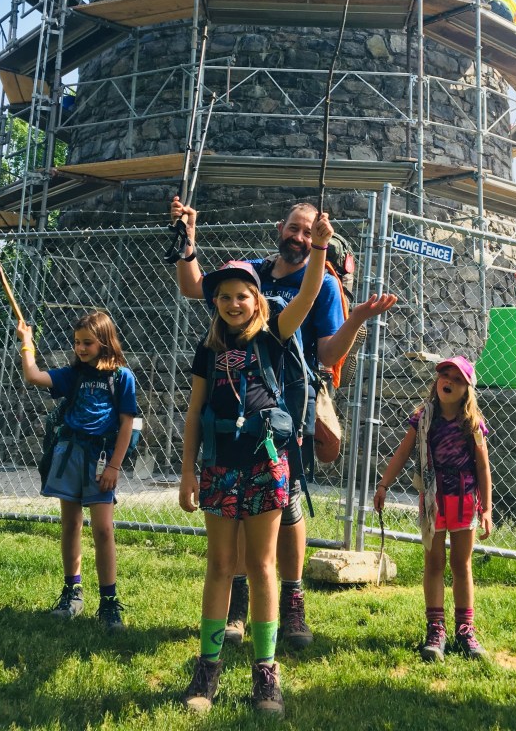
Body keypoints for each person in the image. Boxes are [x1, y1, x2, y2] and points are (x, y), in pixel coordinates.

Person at [171, 196, 396, 650]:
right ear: (280, 228)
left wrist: (353, 318)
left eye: (309, 232)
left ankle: (290, 604)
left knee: (285, 501)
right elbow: (195, 286)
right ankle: (238, 604)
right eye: (294, 228)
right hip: (237, 405)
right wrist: (185, 237)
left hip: (290, 401)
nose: (299, 237)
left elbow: (328, 352)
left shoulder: (323, 283)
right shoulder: (250, 274)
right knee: (239, 505)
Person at [178, 212, 334, 716]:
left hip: (266, 466)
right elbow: (195, 413)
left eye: (242, 295)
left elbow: (308, 295)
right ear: (215, 303)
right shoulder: (207, 352)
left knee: (264, 565)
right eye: (224, 296)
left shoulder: (274, 336)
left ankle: (266, 671)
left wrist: (320, 248)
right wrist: (187, 471)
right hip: (219, 466)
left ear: (257, 299)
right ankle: (208, 668)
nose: (233, 303)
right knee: (221, 565)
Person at [17, 311, 137, 632]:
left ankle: (109, 602)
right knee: (70, 524)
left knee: (103, 529)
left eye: (87, 343)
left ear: (105, 342)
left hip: (101, 460)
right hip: (69, 454)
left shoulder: (122, 377)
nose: (81, 348)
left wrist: (114, 466)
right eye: (77, 342)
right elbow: (33, 376)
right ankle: (72, 592)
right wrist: (27, 342)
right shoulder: (73, 375)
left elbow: (127, 424)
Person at [374, 355, 492, 662]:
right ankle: (435, 630)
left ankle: (465, 631)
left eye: (457, 379)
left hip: (464, 499)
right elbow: (403, 452)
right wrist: (384, 484)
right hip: (433, 500)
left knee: (461, 564)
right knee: (434, 563)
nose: (448, 381)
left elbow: (483, 467)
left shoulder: (473, 424)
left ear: (467, 390)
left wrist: (486, 509)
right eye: (444, 375)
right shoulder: (423, 418)